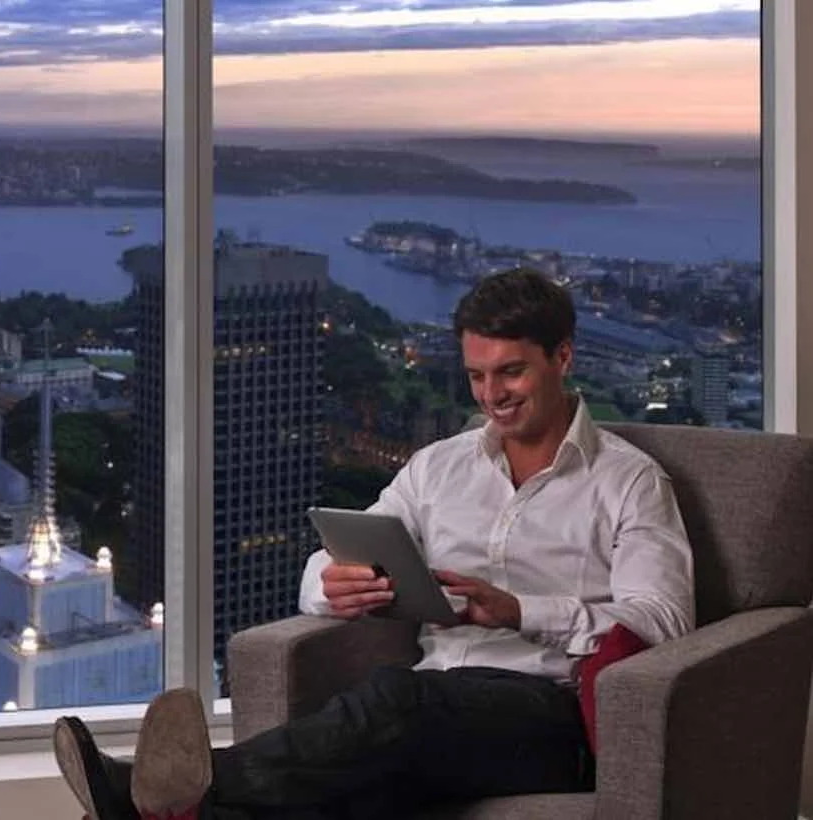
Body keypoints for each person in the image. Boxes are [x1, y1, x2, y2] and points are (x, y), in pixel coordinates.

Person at [50, 267, 696, 820]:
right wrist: (331, 584)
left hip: (548, 715)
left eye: (511, 372)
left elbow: (663, 622)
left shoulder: (630, 482)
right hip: (433, 707)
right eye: (476, 375)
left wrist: (521, 611)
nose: (491, 395)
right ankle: (176, 809)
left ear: (563, 357)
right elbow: (333, 557)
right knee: (353, 769)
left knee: (393, 701)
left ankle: (153, 794)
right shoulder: (438, 468)